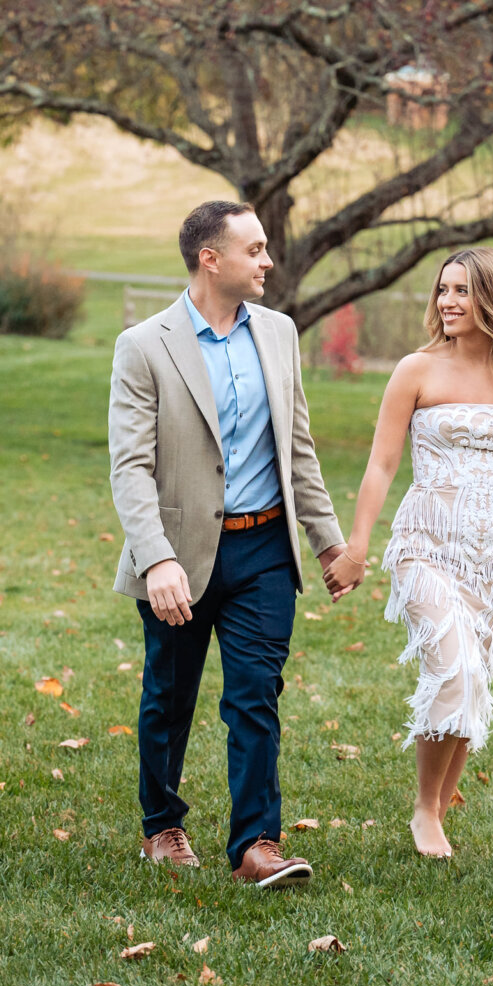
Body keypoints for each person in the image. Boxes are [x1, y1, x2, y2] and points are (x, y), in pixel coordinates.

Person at [108, 199, 352, 887]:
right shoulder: (144, 345)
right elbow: (130, 466)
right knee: (170, 694)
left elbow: (296, 446)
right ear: (209, 259)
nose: (268, 260)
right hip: (178, 556)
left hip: (264, 549)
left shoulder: (279, 334)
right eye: (255, 249)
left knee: (254, 694)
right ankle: (161, 822)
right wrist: (156, 557)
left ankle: (256, 844)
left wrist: (326, 540)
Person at [323, 247, 493, 858]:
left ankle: (440, 809)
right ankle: (425, 809)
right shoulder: (416, 370)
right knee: (456, 668)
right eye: (443, 289)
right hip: (426, 545)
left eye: (463, 291)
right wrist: (358, 545)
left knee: (475, 680)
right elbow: (382, 463)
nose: (447, 301)